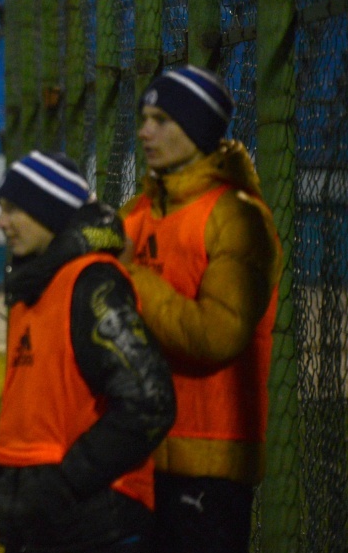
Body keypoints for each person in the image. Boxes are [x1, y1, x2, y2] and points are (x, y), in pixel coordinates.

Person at [119, 65, 281, 553]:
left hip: (211, 460)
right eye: (144, 118)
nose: (145, 131)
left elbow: (217, 335)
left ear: (197, 128)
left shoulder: (237, 216)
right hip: (139, 451)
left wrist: (131, 277)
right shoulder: (137, 213)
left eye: (162, 120)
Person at [0, 151, 177, 553]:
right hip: (49, 521)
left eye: (13, 209)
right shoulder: (33, 287)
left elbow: (150, 401)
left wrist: (64, 483)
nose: (1, 222)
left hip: (97, 523)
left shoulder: (92, 283)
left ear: (49, 212)